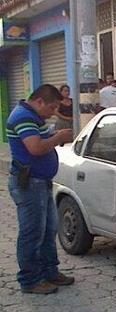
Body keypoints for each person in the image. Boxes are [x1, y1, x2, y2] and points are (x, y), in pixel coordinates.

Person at [6, 84, 74, 294]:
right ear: (39, 102)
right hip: (29, 183)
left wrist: (53, 135)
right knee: (32, 232)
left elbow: (41, 139)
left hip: (41, 181)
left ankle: (49, 271)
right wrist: (58, 138)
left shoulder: (35, 117)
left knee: (48, 229)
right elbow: (35, 148)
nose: (53, 112)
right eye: (52, 107)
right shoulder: (23, 117)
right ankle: (30, 279)